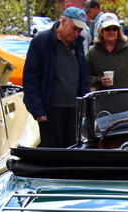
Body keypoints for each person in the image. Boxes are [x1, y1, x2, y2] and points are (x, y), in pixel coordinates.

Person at [23, 7, 90, 148]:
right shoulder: (42, 41)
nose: (76, 33)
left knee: (72, 150)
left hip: (73, 107)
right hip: (51, 109)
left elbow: (82, 76)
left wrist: (85, 105)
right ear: (63, 21)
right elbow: (31, 78)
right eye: (74, 28)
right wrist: (37, 109)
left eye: (79, 30)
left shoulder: (78, 44)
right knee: (52, 151)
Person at [86, 13, 128, 117]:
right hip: (104, 104)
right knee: (105, 133)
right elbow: (85, 76)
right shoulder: (93, 52)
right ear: (101, 31)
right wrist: (98, 81)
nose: (111, 32)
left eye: (115, 29)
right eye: (108, 29)